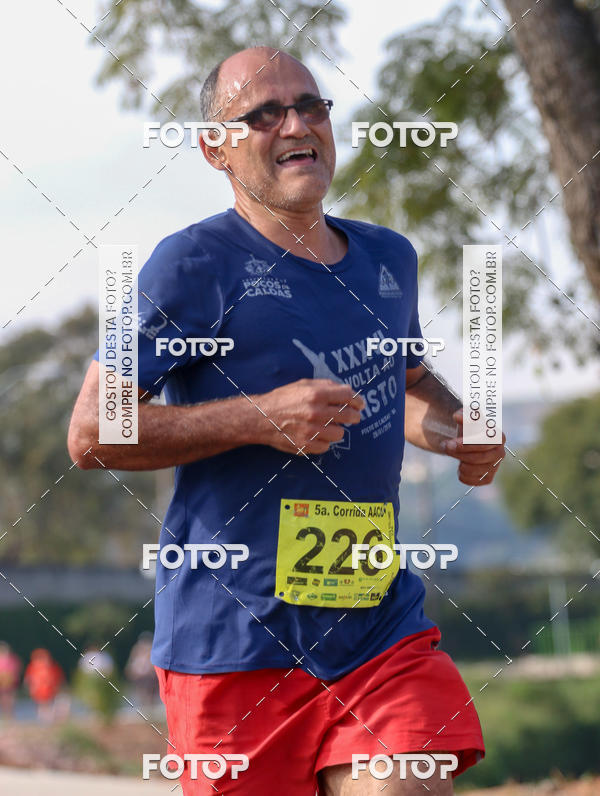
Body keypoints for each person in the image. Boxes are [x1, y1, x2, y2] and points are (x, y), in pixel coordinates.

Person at [68, 46, 506, 794]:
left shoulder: (388, 259)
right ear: (215, 149)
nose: (296, 124)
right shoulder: (191, 265)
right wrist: (258, 418)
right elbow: (92, 433)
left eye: (309, 106)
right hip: (232, 644)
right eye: (264, 114)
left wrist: (457, 429)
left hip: (376, 629)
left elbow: (403, 384)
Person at [23, 648, 64, 721]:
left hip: (49, 689)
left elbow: (58, 678)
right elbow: (29, 678)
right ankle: (45, 719)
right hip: (40, 690)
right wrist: (30, 688)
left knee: (48, 705)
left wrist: (57, 687)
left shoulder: (52, 667)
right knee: (43, 705)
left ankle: (47, 719)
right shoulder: (33, 667)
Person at [0, 642, 21, 718]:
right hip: (1, 682)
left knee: (10, 697)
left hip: (11, 682)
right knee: (3, 698)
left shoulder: (12, 659)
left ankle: (10, 713)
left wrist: (11, 677)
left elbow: (16, 670)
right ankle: (5, 713)